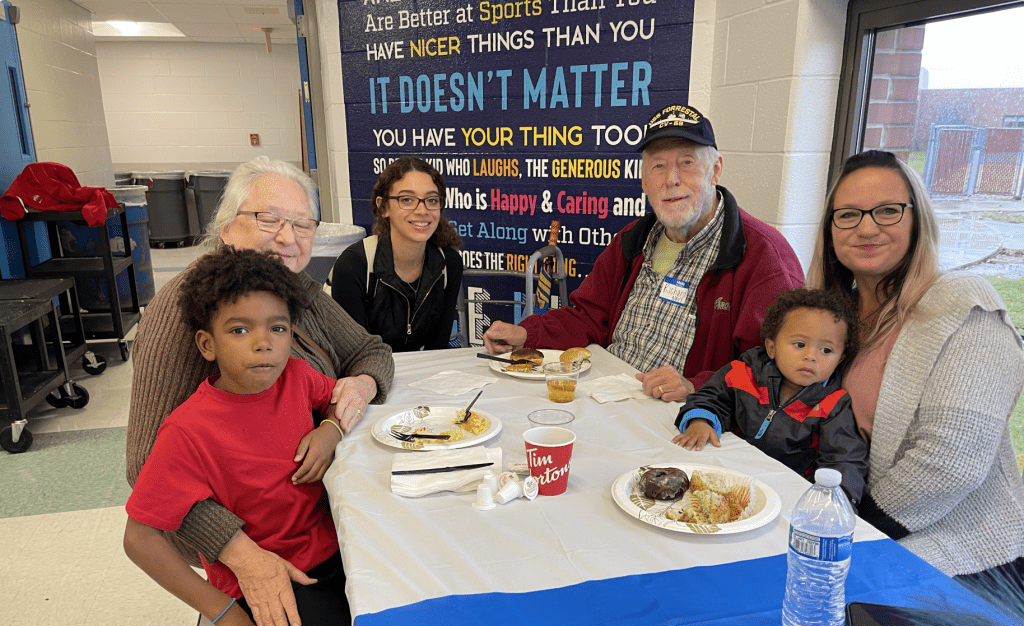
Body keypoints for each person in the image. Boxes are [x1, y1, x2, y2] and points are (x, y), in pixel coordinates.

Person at [126, 156, 393, 626]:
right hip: (253, 540)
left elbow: (370, 352)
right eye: (270, 220)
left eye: (302, 224)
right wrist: (243, 562)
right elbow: (145, 473)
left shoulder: (297, 292)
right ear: (228, 228)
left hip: (317, 520)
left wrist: (345, 407)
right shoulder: (187, 310)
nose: (287, 237)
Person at [124, 247, 351, 626]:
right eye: (240, 329)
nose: (263, 342)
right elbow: (140, 539)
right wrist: (225, 615)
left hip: (334, 549)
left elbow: (333, 400)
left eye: (278, 328)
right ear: (207, 344)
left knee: (402, 618)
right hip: (263, 583)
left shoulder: (298, 378)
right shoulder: (188, 431)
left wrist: (330, 427)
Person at [483, 104, 804, 401]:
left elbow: (775, 365)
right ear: (644, 182)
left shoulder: (764, 255)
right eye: (658, 166)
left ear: (716, 170)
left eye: (687, 163)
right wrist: (526, 333)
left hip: (685, 414)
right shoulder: (633, 239)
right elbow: (587, 316)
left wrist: (695, 386)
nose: (671, 179)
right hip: (605, 393)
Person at [807, 149, 1024, 588]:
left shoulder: (966, 306)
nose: (867, 228)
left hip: (953, 556)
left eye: (887, 211)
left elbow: (951, 464)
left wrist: (846, 533)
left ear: (918, 219)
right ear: (830, 230)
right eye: (847, 215)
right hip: (845, 522)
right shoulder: (832, 315)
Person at [673, 288, 868, 505]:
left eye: (826, 350)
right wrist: (701, 420)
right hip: (725, 473)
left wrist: (838, 500)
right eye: (800, 345)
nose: (811, 356)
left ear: (840, 359)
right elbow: (711, 397)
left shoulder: (833, 405)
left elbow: (845, 460)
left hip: (784, 493)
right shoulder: (745, 372)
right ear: (771, 347)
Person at [331, 156, 463, 351]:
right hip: (360, 375)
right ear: (383, 206)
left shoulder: (449, 263)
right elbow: (353, 356)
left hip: (414, 375)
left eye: (432, 200)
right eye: (407, 199)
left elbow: (437, 349)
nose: (422, 210)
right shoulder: (354, 265)